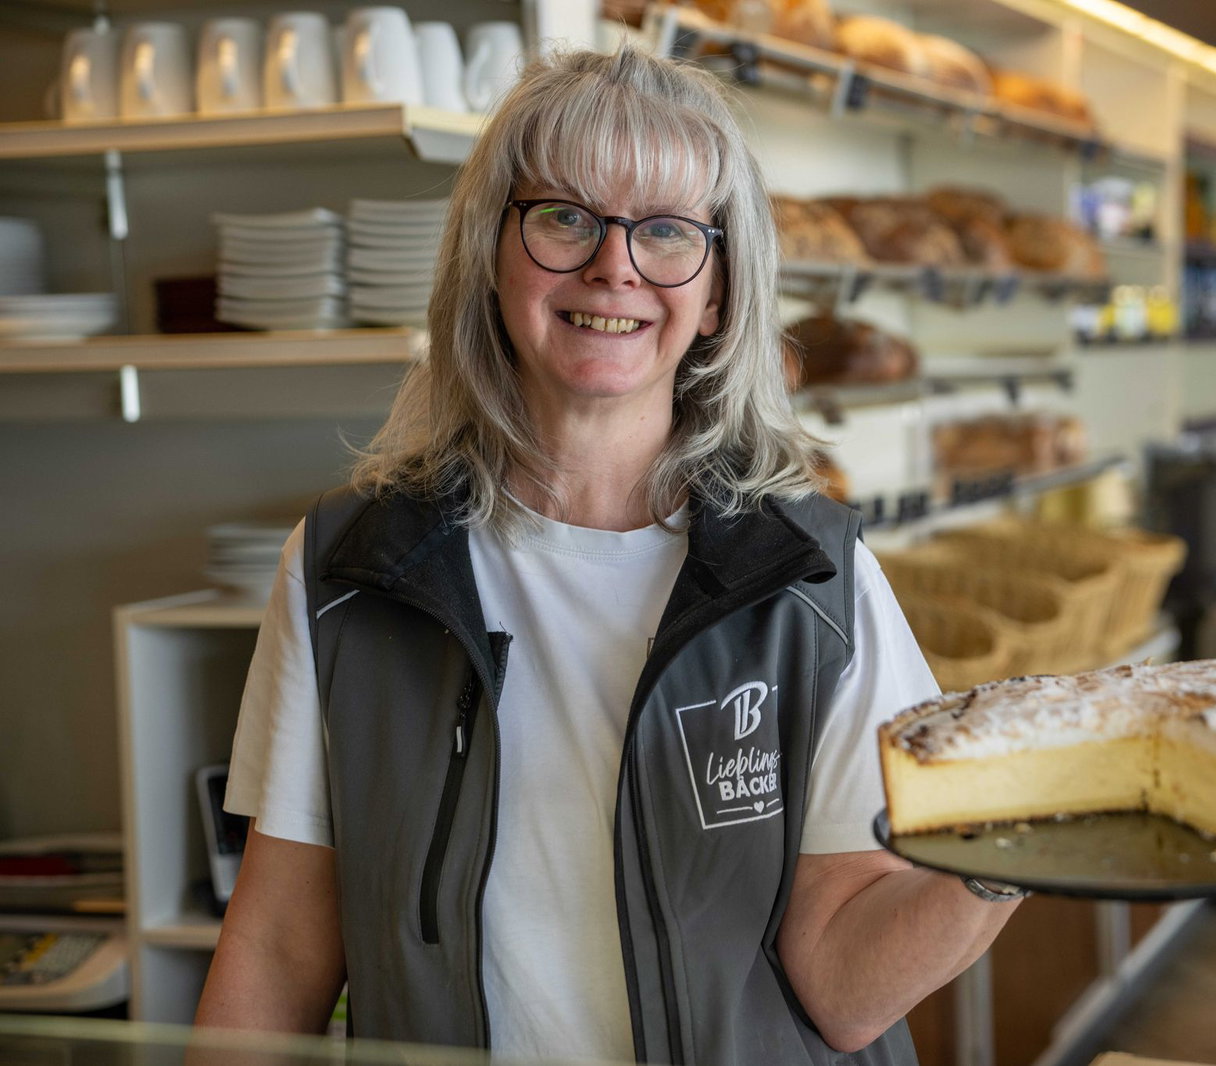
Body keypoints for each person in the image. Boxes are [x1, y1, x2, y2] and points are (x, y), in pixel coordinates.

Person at [193, 46, 1026, 1066]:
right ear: (492, 256)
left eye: (669, 231)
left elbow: (844, 994)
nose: (614, 267)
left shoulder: (811, 580)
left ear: (717, 294)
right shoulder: (346, 573)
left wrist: (1006, 852)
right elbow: (278, 951)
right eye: (564, 217)